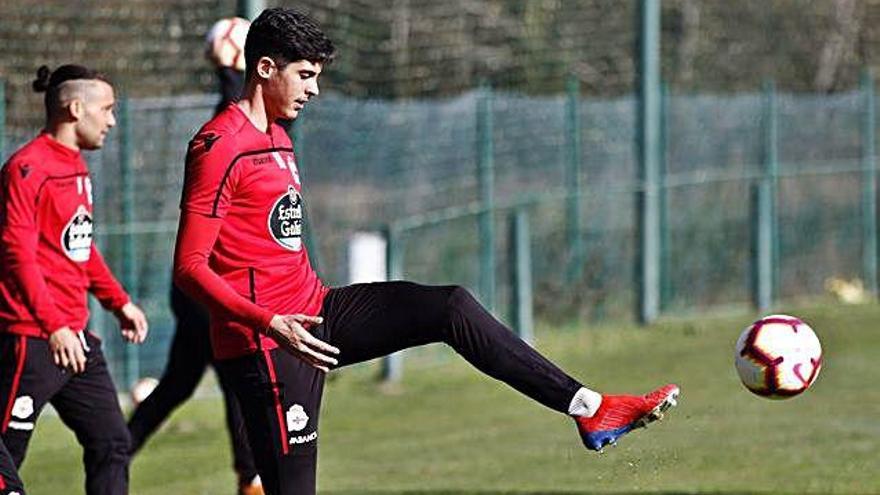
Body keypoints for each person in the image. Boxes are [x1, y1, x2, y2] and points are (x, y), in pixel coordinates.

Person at [173, 8, 680, 495]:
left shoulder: (279, 137)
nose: (314, 89)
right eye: (305, 75)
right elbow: (189, 268)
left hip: (316, 313)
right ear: (264, 68)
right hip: (267, 346)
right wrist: (269, 322)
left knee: (450, 306)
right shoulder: (217, 145)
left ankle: (589, 406)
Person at [126, 16, 263, 495]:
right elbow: (231, 113)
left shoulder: (249, 135)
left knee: (179, 385)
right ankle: (251, 479)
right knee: (234, 381)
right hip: (205, 288)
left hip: (198, 291)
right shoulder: (226, 135)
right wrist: (229, 70)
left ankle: (114, 453)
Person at [0, 64, 149, 495]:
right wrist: (54, 327)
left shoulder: (77, 168)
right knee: (7, 456)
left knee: (112, 443)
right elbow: (18, 257)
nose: (112, 120)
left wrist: (118, 301)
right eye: (107, 109)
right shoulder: (26, 169)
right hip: (33, 338)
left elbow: (78, 248)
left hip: (74, 340)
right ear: (75, 108)